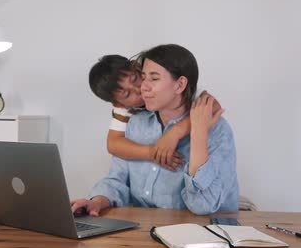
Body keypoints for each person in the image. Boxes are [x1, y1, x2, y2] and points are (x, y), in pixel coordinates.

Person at [72, 44, 239, 215]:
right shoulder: (134, 123)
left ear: (179, 84)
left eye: (153, 78)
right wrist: (97, 201)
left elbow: (202, 206)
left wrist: (197, 132)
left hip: (203, 232)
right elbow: (117, 179)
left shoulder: (217, 129)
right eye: (144, 78)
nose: (142, 87)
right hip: (144, 231)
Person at [88, 55, 220, 170]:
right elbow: (113, 144)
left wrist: (174, 133)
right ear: (119, 104)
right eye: (127, 94)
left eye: (135, 79)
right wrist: (153, 152)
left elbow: (213, 105)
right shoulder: (125, 109)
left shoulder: (166, 84)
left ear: (137, 66)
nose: (139, 89)